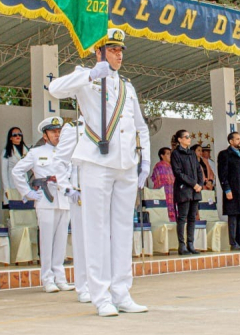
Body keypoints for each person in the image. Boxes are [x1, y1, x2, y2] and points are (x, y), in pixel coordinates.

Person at [48, 29, 151, 317]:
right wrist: (92, 74)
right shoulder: (86, 77)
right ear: (99, 52)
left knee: (122, 229)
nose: (119, 54)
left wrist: (144, 161)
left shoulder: (127, 87)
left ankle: (122, 291)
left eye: (121, 50)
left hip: (126, 165)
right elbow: (55, 89)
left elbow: (141, 126)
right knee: (96, 229)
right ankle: (101, 295)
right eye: (113, 49)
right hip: (96, 163)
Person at [11, 116, 73, 293]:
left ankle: (60, 277)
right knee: (46, 241)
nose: (57, 135)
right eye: (53, 132)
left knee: (61, 241)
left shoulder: (66, 152)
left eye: (59, 131)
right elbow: (17, 171)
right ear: (45, 135)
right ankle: (47, 278)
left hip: (63, 199)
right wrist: (27, 192)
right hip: (45, 199)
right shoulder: (36, 153)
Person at [52, 117, 89, 303]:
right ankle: (84, 286)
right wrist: (67, 187)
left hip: (103, 189)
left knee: (104, 238)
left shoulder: (107, 124)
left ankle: (102, 284)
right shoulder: (74, 128)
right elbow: (59, 161)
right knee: (82, 241)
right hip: (81, 189)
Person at [218, 131, 240, 250]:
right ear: (231, 141)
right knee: (233, 217)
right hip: (233, 190)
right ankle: (233, 243)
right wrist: (227, 189)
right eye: (237, 139)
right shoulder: (225, 154)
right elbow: (222, 174)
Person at [170, 129, 203, 255]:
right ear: (180, 139)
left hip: (195, 190)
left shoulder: (192, 153)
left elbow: (198, 169)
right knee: (182, 217)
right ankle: (182, 245)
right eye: (186, 137)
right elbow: (178, 173)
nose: (189, 139)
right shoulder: (176, 154)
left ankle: (190, 244)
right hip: (184, 189)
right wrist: (193, 183)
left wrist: (200, 184)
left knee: (192, 218)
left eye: (189, 136)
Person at [1, 127, 27, 202]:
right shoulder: (6, 151)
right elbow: (4, 172)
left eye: (20, 134)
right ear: (10, 138)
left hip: (24, 183)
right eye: (15, 135)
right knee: (14, 208)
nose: (18, 136)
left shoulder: (26, 150)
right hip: (12, 183)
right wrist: (6, 189)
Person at [150, 147, 176, 222]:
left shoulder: (172, 166)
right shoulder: (159, 166)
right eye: (168, 154)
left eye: (170, 154)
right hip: (163, 193)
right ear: (162, 155)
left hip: (173, 193)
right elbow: (158, 180)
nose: (170, 155)